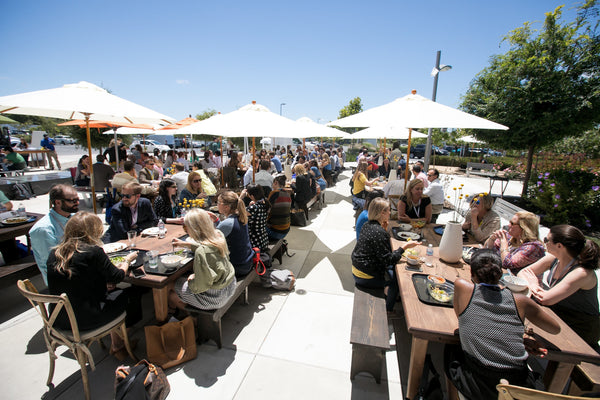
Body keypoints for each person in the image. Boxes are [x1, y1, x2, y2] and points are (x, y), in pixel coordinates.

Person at [445, 249, 560, 399]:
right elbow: (555, 329)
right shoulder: (520, 301)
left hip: (477, 383)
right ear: (501, 274)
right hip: (517, 385)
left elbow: (460, 315)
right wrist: (520, 333)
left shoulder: (462, 287)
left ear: (471, 272)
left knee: (450, 346)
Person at [46, 212, 139, 358]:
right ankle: (120, 341)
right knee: (131, 293)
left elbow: (76, 280)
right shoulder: (93, 252)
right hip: (86, 319)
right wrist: (127, 261)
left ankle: (116, 340)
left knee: (111, 293)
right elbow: (117, 276)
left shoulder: (55, 253)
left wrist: (103, 284)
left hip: (59, 319)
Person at [518, 225, 600, 350]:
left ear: (559, 246)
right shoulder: (554, 259)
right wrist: (534, 283)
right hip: (559, 317)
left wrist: (533, 283)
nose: (544, 242)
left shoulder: (581, 273)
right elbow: (523, 272)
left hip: (580, 330)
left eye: (547, 240)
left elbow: (546, 299)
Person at [351, 197, 420, 311]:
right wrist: (404, 247)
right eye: (388, 210)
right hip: (365, 277)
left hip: (357, 269)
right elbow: (388, 260)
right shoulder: (379, 232)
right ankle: (389, 309)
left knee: (392, 272)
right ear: (382, 213)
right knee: (396, 281)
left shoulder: (367, 225)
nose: (390, 212)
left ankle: (388, 294)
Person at [168, 209, 236, 313]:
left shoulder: (202, 252)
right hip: (230, 286)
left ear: (194, 229)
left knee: (171, 285)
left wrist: (191, 280)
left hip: (215, 298)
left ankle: (187, 316)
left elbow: (200, 286)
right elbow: (208, 247)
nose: (185, 230)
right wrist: (185, 244)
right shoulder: (218, 234)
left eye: (186, 228)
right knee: (184, 280)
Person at [30, 184, 79, 284]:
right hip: (61, 279)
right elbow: (53, 263)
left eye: (78, 199)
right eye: (73, 201)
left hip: (77, 267)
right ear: (58, 202)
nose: (77, 203)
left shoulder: (74, 217)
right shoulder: (43, 229)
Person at [216, 190, 255, 278]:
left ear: (226, 207)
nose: (217, 205)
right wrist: (217, 221)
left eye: (218, 202)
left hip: (238, 267)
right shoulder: (240, 216)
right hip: (248, 261)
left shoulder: (227, 223)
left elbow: (210, 241)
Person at [242, 184, 271, 253]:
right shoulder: (265, 203)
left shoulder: (254, 208)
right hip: (263, 239)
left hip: (254, 242)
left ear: (251, 196)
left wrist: (240, 198)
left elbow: (239, 213)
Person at [266, 174, 292, 240]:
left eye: (272, 184)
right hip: (286, 229)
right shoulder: (288, 194)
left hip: (275, 231)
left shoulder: (274, 193)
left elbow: (266, 210)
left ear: (276, 183)